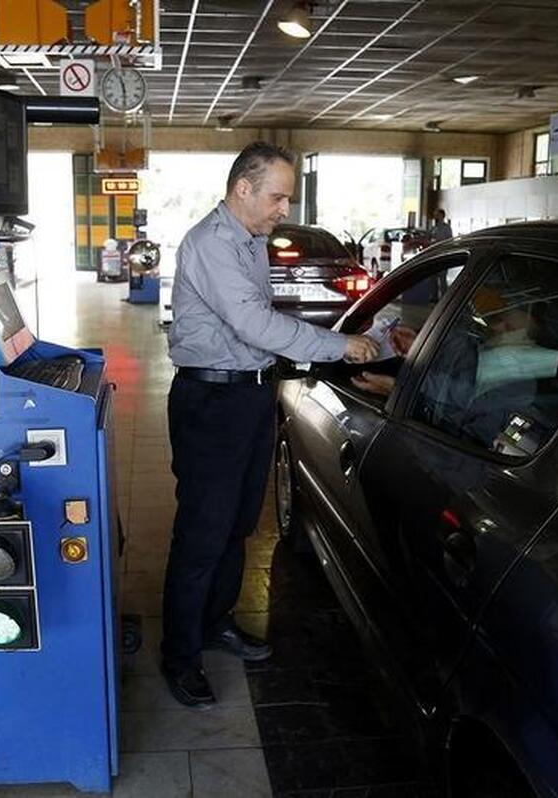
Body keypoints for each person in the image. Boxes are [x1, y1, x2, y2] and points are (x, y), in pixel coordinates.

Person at [163, 141, 379, 708]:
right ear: (243, 189)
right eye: (278, 196)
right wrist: (340, 345)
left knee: (237, 526)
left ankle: (216, 623)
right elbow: (255, 322)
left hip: (251, 397)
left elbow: (265, 320)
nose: (285, 208)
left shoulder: (251, 242)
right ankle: (180, 655)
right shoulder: (211, 243)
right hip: (211, 403)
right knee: (202, 535)